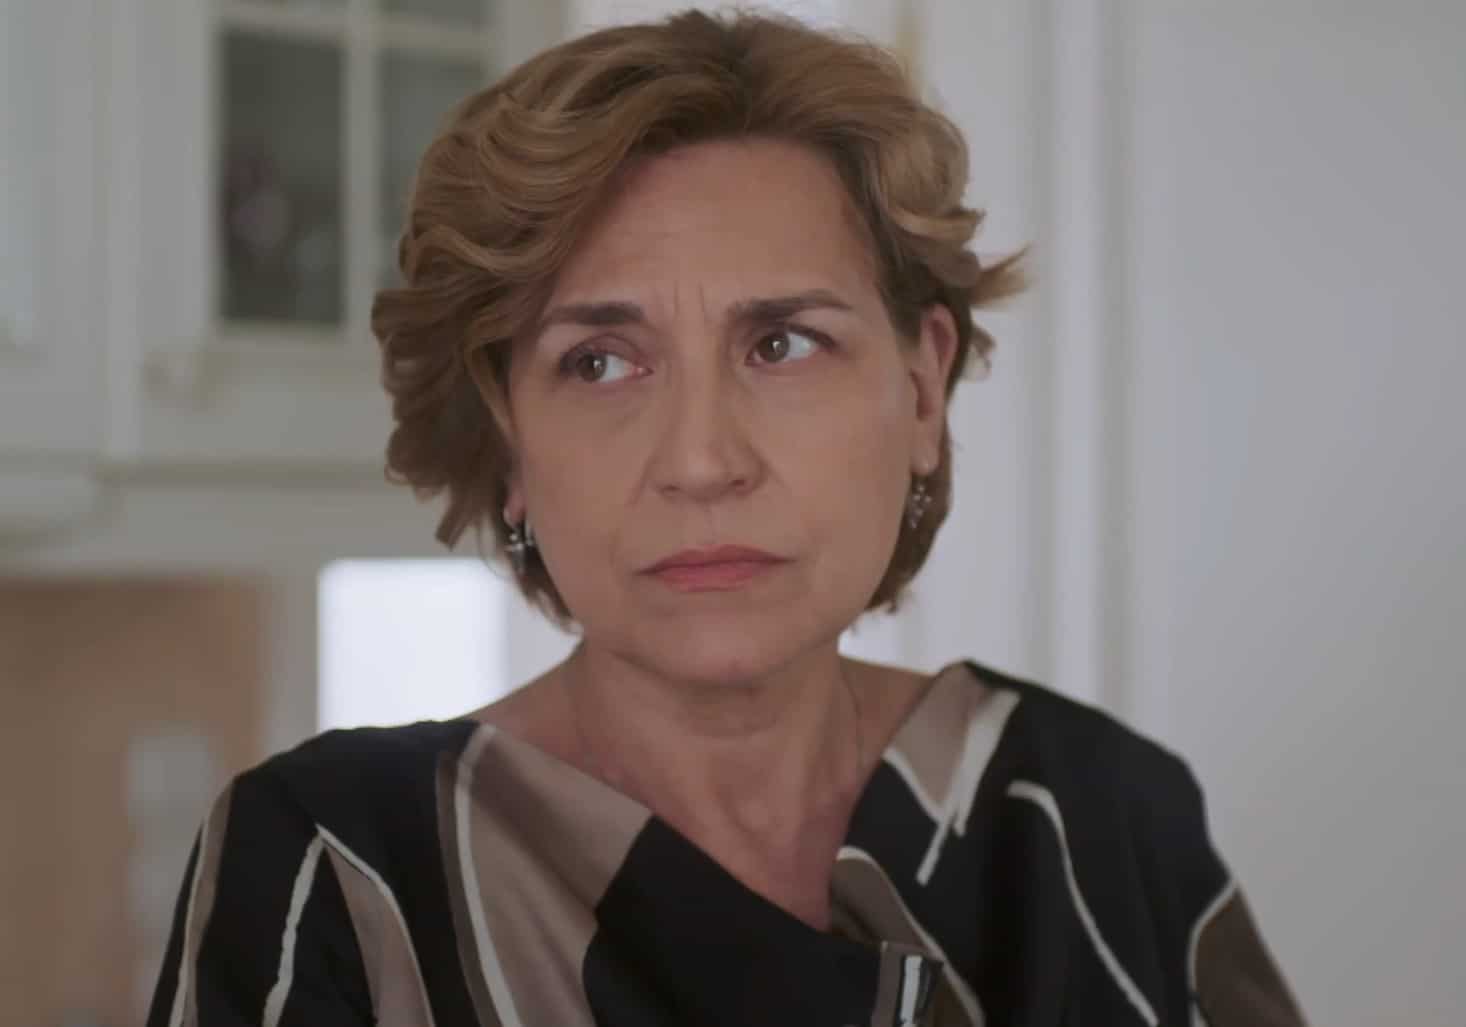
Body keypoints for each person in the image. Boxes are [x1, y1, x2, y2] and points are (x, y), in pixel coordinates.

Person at [147, 10, 1305, 1026]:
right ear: (507, 441)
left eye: (781, 344)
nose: (700, 462)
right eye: (600, 361)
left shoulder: (1093, 816)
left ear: (918, 389)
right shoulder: (334, 874)